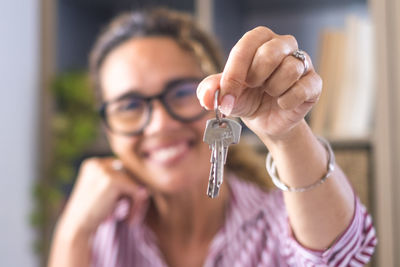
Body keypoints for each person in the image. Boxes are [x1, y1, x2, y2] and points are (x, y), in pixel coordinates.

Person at [48, 8, 376, 267]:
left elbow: (342, 256)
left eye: (180, 92)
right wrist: (71, 233)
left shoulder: (277, 220)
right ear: (108, 127)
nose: (160, 124)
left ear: (218, 95)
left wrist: (286, 134)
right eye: (130, 105)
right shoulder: (101, 232)